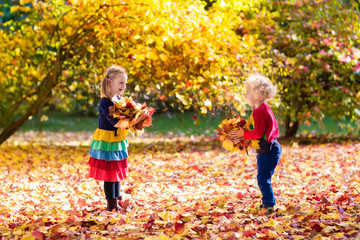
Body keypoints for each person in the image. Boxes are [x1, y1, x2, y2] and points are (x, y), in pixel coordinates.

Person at [88, 65, 147, 211]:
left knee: (117, 172)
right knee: (110, 174)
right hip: (108, 141)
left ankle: (118, 198)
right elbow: (117, 124)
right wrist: (138, 119)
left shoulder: (118, 100)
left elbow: (125, 120)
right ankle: (111, 204)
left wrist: (136, 117)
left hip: (117, 140)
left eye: (125, 83)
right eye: (121, 82)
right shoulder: (106, 102)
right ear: (109, 82)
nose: (124, 86)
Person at [230, 74, 282, 214]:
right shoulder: (260, 109)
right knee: (262, 177)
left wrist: (242, 134)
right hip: (267, 149)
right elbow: (255, 130)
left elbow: (258, 133)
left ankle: (269, 205)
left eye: (248, 93)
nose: (246, 96)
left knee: (263, 178)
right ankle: (267, 203)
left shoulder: (261, 111)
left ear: (258, 94)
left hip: (269, 151)